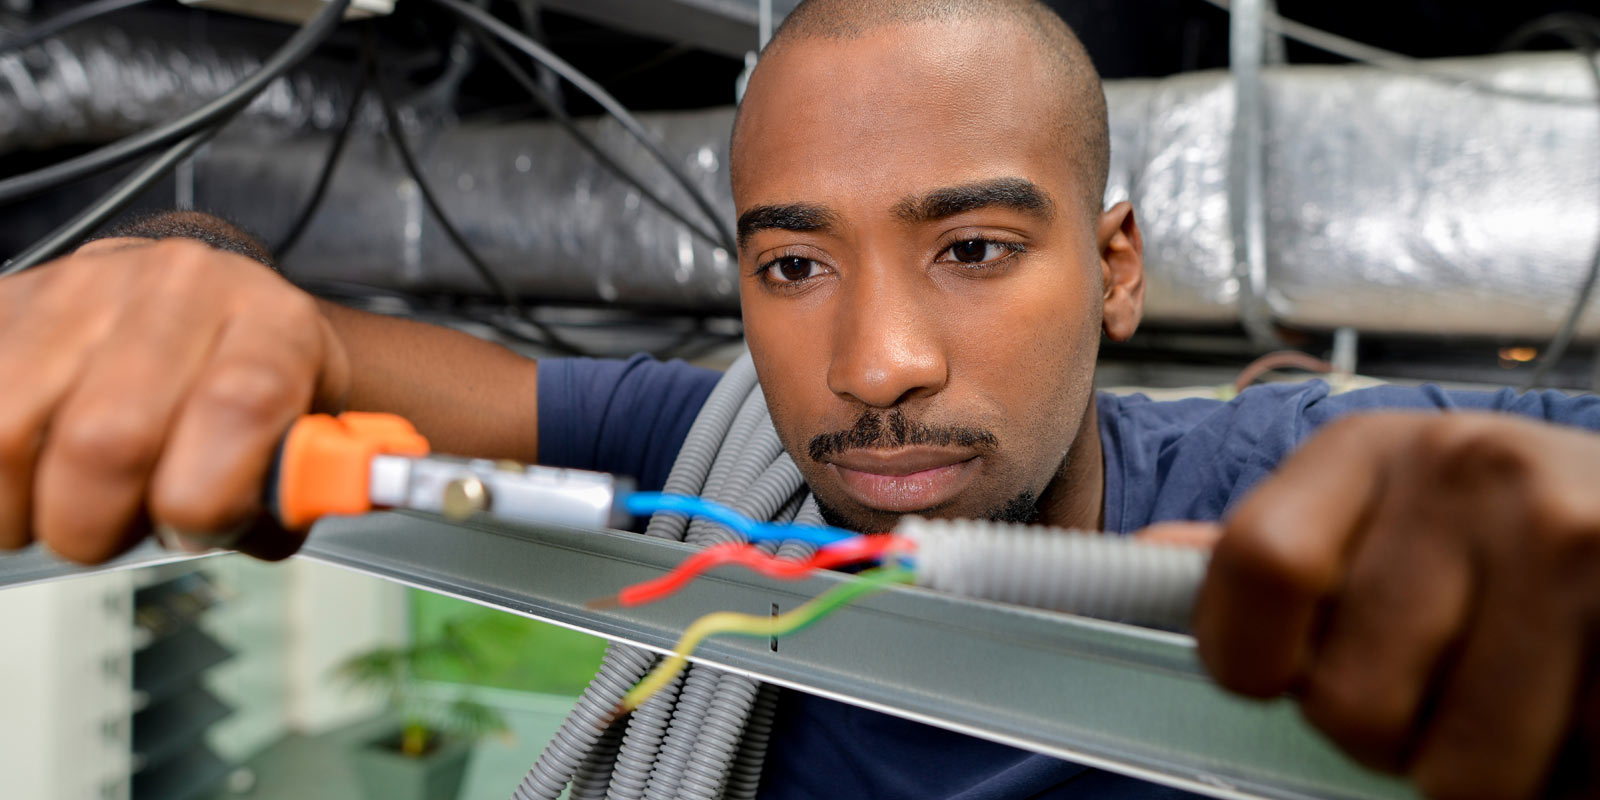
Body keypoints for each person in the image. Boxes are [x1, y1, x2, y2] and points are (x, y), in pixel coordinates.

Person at [2, 0, 1597, 797]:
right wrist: (184, 278)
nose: (874, 365)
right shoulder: (708, 460)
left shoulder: (1319, 477)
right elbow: (312, 355)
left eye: (971, 246)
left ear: (1117, 270)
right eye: (793, 267)